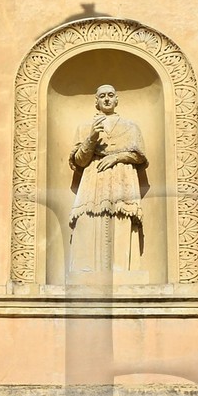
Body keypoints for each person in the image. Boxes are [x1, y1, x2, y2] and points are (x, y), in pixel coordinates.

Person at [68, 83, 147, 277]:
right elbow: (79, 160)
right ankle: (88, 271)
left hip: (122, 178)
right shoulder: (85, 128)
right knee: (88, 219)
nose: (106, 99)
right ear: (96, 102)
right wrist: (92, 138)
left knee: (121, 218)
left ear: (116, 99)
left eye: (110, 95)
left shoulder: (130, 127)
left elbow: (139, 156)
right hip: (93, 181)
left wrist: (118, 157)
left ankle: (122, 271)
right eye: (102, 96)